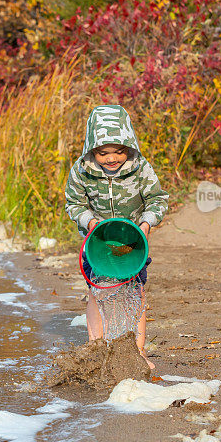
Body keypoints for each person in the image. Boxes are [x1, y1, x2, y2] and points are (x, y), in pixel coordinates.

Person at [65, 104, 169, 369]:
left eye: (119, 151)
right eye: (103, 153)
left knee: (137, 293)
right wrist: (89, 222)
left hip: (133, 243)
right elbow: (73, 203)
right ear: (92, 149)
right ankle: (96, 347)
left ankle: (138, 350)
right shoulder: (82, 170)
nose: (111, 158)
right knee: (95, 293)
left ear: (129, 145)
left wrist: (146, 225)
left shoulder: (140, 167)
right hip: (97, 242)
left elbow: (157, 200)